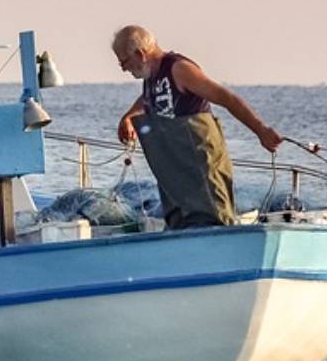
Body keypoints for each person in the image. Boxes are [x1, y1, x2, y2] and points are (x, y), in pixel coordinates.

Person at [112, 25, 282, 230]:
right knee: (179, 221)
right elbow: (147, 99)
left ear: (140, 54)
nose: (123, 69)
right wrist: (130, 116)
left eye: (124, 62)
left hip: (201, 164)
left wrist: (261, 130)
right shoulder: (151, 78)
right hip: (175, 169)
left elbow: (226, 98)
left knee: (212, 216)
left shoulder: (180, 69)